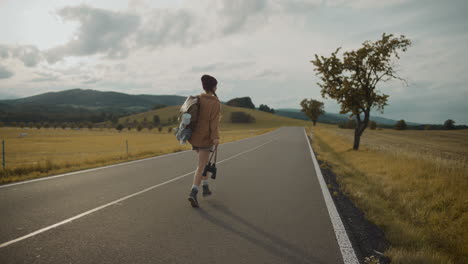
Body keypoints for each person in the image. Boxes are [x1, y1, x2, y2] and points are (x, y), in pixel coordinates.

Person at [187, 74, 221, 208]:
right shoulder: (215, 103)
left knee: (205, 162)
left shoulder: (198, 99)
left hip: (195, 136)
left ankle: (205, 187)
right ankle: (193, 191)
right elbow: (213, 123)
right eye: (216, 85)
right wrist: (215, 137)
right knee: (201, 165)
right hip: (206, 138)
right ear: (213, 87)